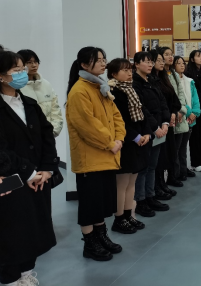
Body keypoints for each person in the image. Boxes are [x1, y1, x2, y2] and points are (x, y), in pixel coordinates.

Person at [0, 50, 58, 285]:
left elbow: (47, 136)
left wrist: (47, 168)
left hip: (37, 179)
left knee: (32, 231)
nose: (22, 74)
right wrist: (28, 172)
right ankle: (11, 280)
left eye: (22, 69)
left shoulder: (29, 104)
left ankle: (27, 275)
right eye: (16, 70)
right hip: (5, 181)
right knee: (7, 234)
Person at [66, 47, 126, 262]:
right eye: (98, 60)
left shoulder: (100, 87)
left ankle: (101, 236)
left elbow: (116, 116)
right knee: (90, 204)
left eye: (103, 59)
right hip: (90, 158)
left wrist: (119, 139)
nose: (103, 63)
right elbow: (87, 126)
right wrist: (110, 143)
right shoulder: (79, 91)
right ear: (84, 65)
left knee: (102, 202)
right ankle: (90, 243)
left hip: (107, 156)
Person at [107, 58, 150, 234]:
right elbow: (120, 120)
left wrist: (146, 133)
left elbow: (142, 113)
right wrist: (136, 136)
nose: (129, 73)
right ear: (113, 74)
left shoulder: (131, 89)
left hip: (139, 141)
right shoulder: (113, 93)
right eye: (124, 70)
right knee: (122, 183)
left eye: (129, 69)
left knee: (132, 180)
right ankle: (119, 219)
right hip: (126, 142)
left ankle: (128, 214)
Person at [131, 52, 171, 217]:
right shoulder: (135, 84)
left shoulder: (152, 80)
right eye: (146, 62)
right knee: (143, 167)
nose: (149, 64)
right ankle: (140, 201)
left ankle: (150, 196)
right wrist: (155, 128)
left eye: (150, 62)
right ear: (136, 64)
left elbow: (163, 102)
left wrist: (165, 122)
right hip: (146, 131)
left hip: (159, 128)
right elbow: (142, 109)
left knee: (153, 166)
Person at [149, 50, 182, 191]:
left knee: (167, 154)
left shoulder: (164, 78)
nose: (162, 63)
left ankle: (163, 183)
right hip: (158, 123)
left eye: (162, 60)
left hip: (168, 122)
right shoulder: (150, 80)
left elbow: (174, 100)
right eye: (158, 60)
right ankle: (156, 186)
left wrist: (173, 113)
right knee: (158, 156)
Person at [160, 48, 191, 182]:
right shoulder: (161, 75)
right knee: (172, 149)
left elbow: (180, 93)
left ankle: (178, 172)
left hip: (179, 112)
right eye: (166, 54)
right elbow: (167, 97)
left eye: (171, 54)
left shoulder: (173, 73)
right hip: (170, 115)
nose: (170, 57)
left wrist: (182, 110)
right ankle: (172, 175)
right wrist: (173, 112)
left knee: (180, 147)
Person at [18, 49, 64, 138]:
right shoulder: (17, 87)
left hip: (49, 135)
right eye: (29, 62)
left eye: (36, 62)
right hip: (28, 137)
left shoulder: (46, 84)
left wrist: (51, 132)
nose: (34, 65)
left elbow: (56, 111)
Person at [173, 56, 201, 177]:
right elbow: (180, 99)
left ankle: (183, 169)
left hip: (191, 117)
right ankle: (177, 172)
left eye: (183, 63)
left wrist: (195, 112)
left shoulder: (189, 81)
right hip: (181, 115)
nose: (182, 65)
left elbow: (195, 98)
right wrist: (189, 113)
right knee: (177, 147)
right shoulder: (172, 80)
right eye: (178, 63)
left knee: (184, 146)